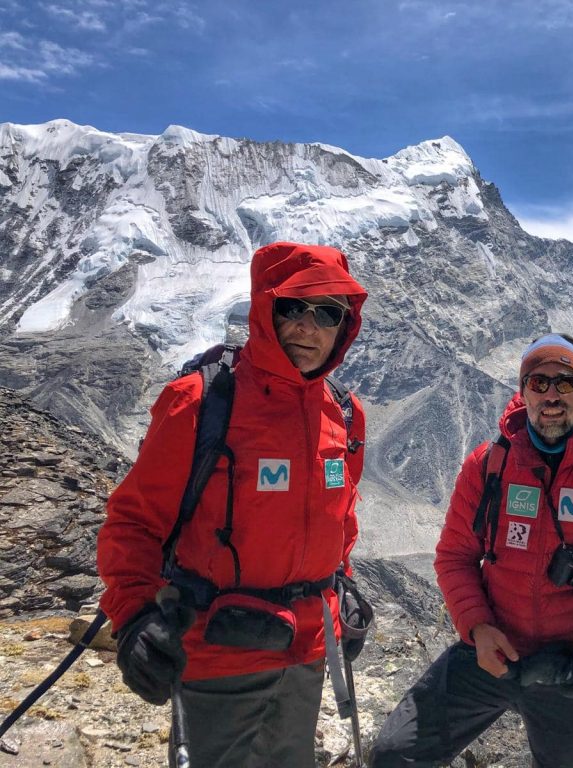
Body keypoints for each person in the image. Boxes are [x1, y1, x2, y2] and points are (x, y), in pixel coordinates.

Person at [97, 242, 369, 767]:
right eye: (294, 308)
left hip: (310, 647)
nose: (310, 327)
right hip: (217, 650)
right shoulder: (200, 401)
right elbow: (133, 522)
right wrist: (132, 616)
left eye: (328, 314)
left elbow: (341, 520)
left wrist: (344, 583)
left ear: (345, 325)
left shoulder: (345, 414)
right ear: (265, 309)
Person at [369, 333, 573, 768]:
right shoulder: (490, 464)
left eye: (565, 382)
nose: (551, 394)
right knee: (395, 755)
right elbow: (455, 556)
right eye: (538, 382)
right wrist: (477, 628)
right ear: (522, 390)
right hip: (492, 651)